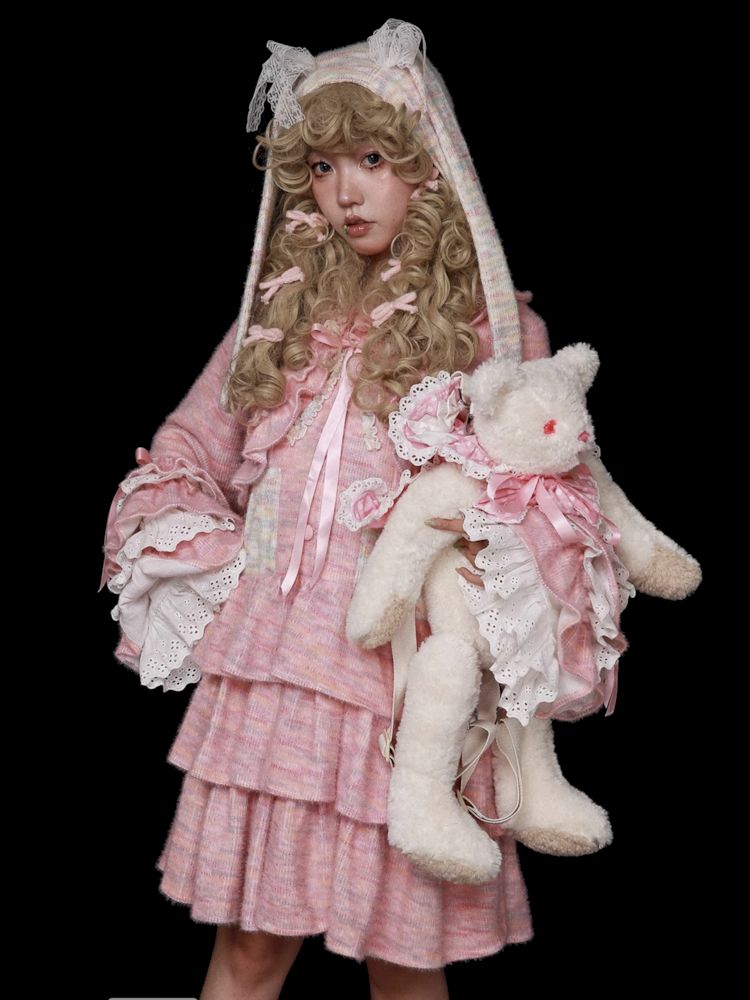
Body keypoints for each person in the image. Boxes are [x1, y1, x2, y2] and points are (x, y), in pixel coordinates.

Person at [99, 20, 558, 1000]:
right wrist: (204, 538)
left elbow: (552, 499)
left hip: (400, 697)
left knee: (404, 964)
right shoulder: (281, 316)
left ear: (427, 165)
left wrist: (482, 549)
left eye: (373, 160)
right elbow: (188, 444)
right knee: (249, 954)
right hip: (277, 686)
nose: (345, 191)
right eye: (321, 167)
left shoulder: (494, 330)